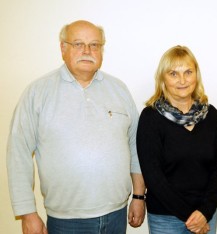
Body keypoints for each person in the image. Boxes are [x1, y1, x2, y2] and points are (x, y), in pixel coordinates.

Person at [7, 20, 146, 234]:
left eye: (94, 45)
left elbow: (136, 145)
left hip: (116, 215)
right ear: (63, 48)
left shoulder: (119, 90)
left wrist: (138, 196)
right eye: (78, 44)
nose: (87, 51)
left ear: (102, 50)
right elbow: (18, 154)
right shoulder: (37, 93)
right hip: (66, 222)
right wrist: (27, 213)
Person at [136, 45, 217, 234]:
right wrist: (190, 216)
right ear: (163, 78)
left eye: (188, 72)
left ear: (196, 75)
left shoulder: (210, 115)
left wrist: (204, 212)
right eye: (173, 74)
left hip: (206, 214)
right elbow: (153, 176)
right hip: (166, 218)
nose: (182, 80)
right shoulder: (151, 117)